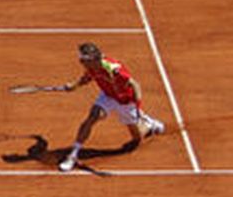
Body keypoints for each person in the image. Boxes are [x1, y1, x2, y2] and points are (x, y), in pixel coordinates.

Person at [55, 42, 166, 172]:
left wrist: (137, 107)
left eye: (83, 60)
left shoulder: (114, 69)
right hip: (108, 96)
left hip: (126, 101)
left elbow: (135, 85)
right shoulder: (91, 67)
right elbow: (87, 77)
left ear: (93, 59)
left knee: (137, 138)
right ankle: (73, 155)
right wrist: (74, 85)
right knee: (92, 117)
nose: (81, 62)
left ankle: (148, 125)